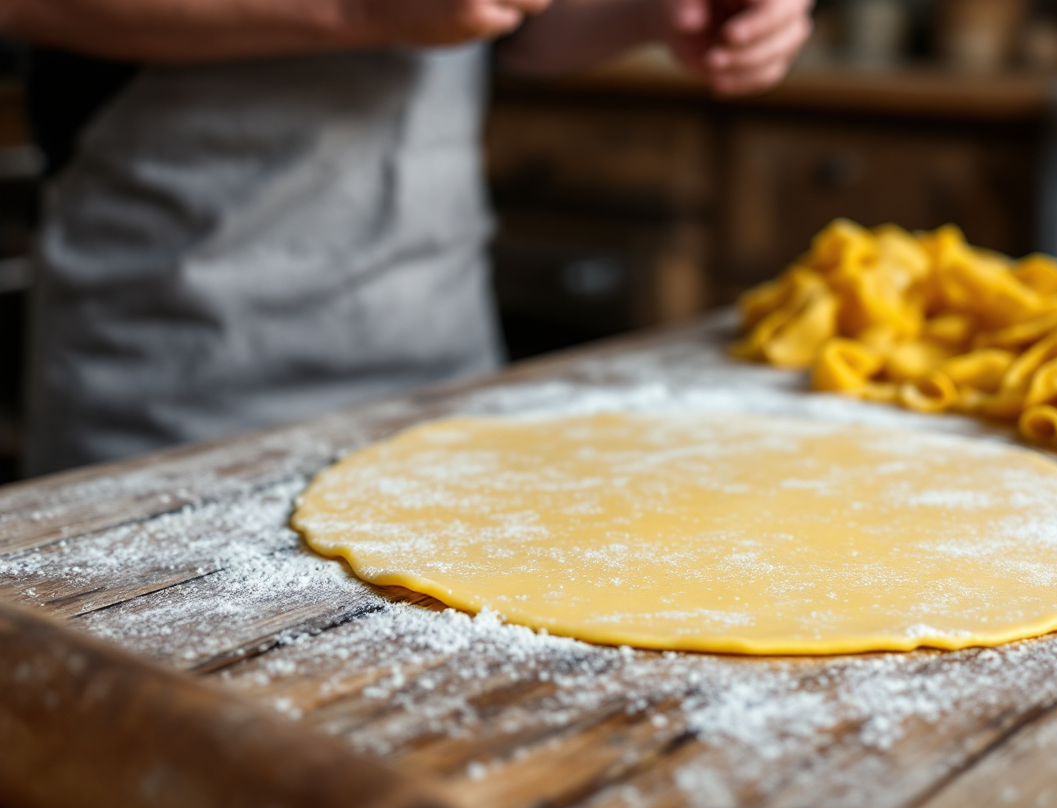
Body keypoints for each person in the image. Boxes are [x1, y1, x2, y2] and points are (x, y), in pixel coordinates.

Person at [0, 0, 813, 476]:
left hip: (439, 377)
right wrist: (357, 9)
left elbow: (513, 31)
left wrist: (660, 10)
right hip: (167, 389)